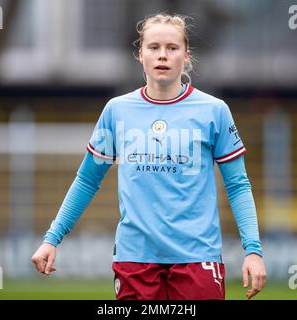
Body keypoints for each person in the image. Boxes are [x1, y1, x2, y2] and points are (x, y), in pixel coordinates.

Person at [31, 13, 267, 300]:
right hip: (134, 261)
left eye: (172, 48)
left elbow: (238, 184)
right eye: (153, 47)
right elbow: (87, 181)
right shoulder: (116, 111)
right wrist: (51, 239)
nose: (162, 55)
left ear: (186, 55)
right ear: (140, 55)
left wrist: (252, 251)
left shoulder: (214, 111)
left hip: (197, 259)